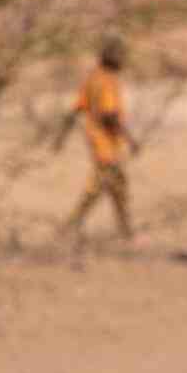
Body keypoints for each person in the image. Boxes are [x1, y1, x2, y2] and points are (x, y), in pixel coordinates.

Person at [55, 36, 139, 241]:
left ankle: (126, 230)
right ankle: (70, 226)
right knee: (100, 186)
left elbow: (76, 109)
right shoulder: (108, 82)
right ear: (113, 58)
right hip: (105, 144)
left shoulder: (92, 78)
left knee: (117, 185)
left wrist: (60, 137)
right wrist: (130, 139)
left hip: (95, 140)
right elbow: (109, 115)